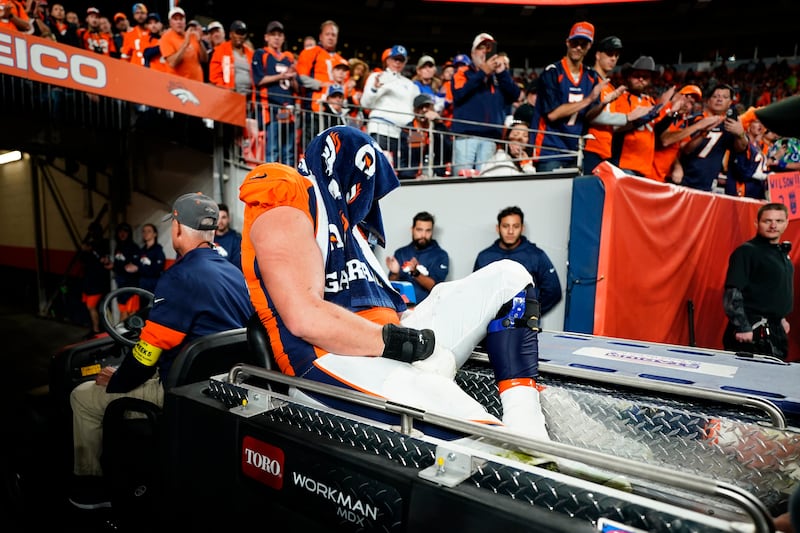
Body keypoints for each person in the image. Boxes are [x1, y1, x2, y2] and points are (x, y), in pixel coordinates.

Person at [240, 126, 550, 445]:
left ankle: (526, 419)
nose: (369, 199)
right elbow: (304, 317)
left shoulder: (352, 232)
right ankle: (526, 449)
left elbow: (389, 312)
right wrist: (407, 344)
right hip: (335, 358)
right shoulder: (291, 190)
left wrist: (413, 329)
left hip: (391, 344)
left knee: (509, 275)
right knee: (493, 443)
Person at [69, 193, 253, 509]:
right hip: (225, 391)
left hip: (179, 392)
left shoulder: (179, 276)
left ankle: (92, 490)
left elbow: (146, 357)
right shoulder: (235, 274)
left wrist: (115, 381)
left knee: (83, 396)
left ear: (178, 227)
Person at [531, 21, 605, 172]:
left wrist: (603, 104)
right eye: (574, 43)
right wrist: (588, 99)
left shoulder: (591, 76)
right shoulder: (552, 73)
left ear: (589, 46)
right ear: (567, 43)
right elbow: (553, 114)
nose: (578, 47)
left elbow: (589, 115)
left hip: (574, 151)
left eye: (583, 44)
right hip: (549, 150)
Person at [722, 202, 793, 361]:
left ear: (787, 223)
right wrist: (742, 326)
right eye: (767, 221)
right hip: (751, 333)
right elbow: (732, 293)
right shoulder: (746, 252)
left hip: (776, 332)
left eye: (779, 221)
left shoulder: (781, 254)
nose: (773, 225)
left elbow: (774, 290)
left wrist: (781, 318)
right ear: (757, 223)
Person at [450, 33, 520, 176]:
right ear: (473, 52)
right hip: (466, 137)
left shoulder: (498, 76)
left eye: (488, 48)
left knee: (486, 181)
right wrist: (482, 72)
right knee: (461, 181)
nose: (485, 52)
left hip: (490, 138)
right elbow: (459, 94)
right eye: (481, 48)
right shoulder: (463, 72)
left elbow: (515, 95)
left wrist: (502, 73)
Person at [474, 206, 562, 318]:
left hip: (524, 328)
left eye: (515, 226)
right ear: (498, 228)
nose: (510, 231)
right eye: (506, 226)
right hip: (490, 325)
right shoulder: (484, 257)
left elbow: (553, 291)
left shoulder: (536, 255)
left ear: (522, 228)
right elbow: (476, 292)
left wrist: (531, 312)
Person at [609, 56, 675, 179]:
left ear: (650, 80)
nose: (640, 79)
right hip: (624, 163)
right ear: (628, 77)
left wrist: (671, 114)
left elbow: (655, 131)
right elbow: (617, 127)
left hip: (644, 166)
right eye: (636, 75)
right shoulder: (620, 97)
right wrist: (650, 113)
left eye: (645, 77)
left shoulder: (649, 101)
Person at [676, 83, 748, 191]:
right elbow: (682, 149)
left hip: (707, 184)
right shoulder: (693, 120)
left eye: (724, 97)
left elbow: (740, 148)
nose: (719, 100)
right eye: (715, 96)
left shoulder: (729, 125)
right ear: (708, 100)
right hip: (684, 179)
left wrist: (740, 134)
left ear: (730, 103)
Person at [360, 44, 419, 162]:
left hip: (403, 134)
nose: (397, 62)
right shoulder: (377, 77)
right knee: (379, 169)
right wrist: (374, 89)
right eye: (395, 59)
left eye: (401, 60)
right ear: (387, 60)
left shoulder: (410, 84)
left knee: (403, 172)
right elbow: (365, 104)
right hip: (381, 129)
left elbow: (416, 109)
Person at [252, 20, 299, 167]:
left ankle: (288, 185)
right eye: (273, 35)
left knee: (289, 152)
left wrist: (291, 78)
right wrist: (282, 76)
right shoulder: (261, 54)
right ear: (266, 37)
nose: (276, 38)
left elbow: (297, 88)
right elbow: (259, 80)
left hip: (288, 110)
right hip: (271, 108)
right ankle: (270, 183)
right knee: (273, 151)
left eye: (279, 35)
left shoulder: (289, 57)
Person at [296, 20, 347, 145]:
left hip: (335, 112)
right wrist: (321, 84)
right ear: (321, 36)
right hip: (315, 108)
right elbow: (301, 77)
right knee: (313, 145)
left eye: (333, 35)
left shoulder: (341, 61)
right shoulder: (310, 53)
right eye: (327, 34)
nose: (330, 37)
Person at [385, 211, 449, 304]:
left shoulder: (441, 255)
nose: (423, 235)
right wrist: (395, 273)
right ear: (412, 229)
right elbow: (392, 286)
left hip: (427, 310)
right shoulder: (401, 253)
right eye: (419, 230)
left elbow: (435, 287)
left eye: (428, 230)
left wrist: (415, 272)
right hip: (401, 308)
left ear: (432, 231)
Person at [397, 93, 452, 179]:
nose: (424, 110)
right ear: (414, 110)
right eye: (420, 107)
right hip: (413, 177)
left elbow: (448, 150)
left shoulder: (438, 126)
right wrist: (413, 175)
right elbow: (403, 159)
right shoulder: (409, 130)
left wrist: (439, 123)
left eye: (427, 107)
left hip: (436, 175)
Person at [724, 107, 768, 199]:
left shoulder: (760, 145)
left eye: (762, 122)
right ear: (748, 124)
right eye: (756, 122)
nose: (760, 125)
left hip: (756, 190)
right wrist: (763, 176)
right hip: (741, 189)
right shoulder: (741, 143)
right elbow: (741, 171)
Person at [78, 222, 111, 338]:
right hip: (88, 280)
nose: (92, 234)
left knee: (92, 307)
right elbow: (82, 260)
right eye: (91, 231)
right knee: (90, 307)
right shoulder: (90, 245)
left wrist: (91, 250)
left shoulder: (104, 244)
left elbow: (103, 259)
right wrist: (84, 250)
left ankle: (97, 330)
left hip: (98, 281)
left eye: (94, 231)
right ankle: (94, 328)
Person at [159, 6, 207, 82]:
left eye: (181, 19)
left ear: (185, 21)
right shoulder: (166, 38)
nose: (179, 22)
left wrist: (200, 42)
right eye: (175, 19)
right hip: (179, 85)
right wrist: (185, 44)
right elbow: (173, 63)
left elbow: (204, 59)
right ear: (170, 22)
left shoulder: (192, 35)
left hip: (197, 83)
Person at [209, 20, 254, 96]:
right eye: (237, 33)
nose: (240, 36)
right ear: (230, 34)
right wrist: (225, 88)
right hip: (228, 96)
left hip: (249, 97)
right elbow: (214, 76)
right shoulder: (221, 50)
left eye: (242, 33)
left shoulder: (250, 53)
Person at [136, 223, 165, 294]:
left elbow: (157, 270)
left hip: (153, 285)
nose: (146, 233)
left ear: (155, 234)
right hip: (142, 284)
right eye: (144, 231)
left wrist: (141, 268)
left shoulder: (158, 250)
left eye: (149, 231)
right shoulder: (141, 250)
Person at [213, 203, 242, 270]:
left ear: (228, 219)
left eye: (223, 217)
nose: (220, 221)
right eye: (218, 218)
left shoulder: (236, 239)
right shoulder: (208, 238)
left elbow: (237, 267)